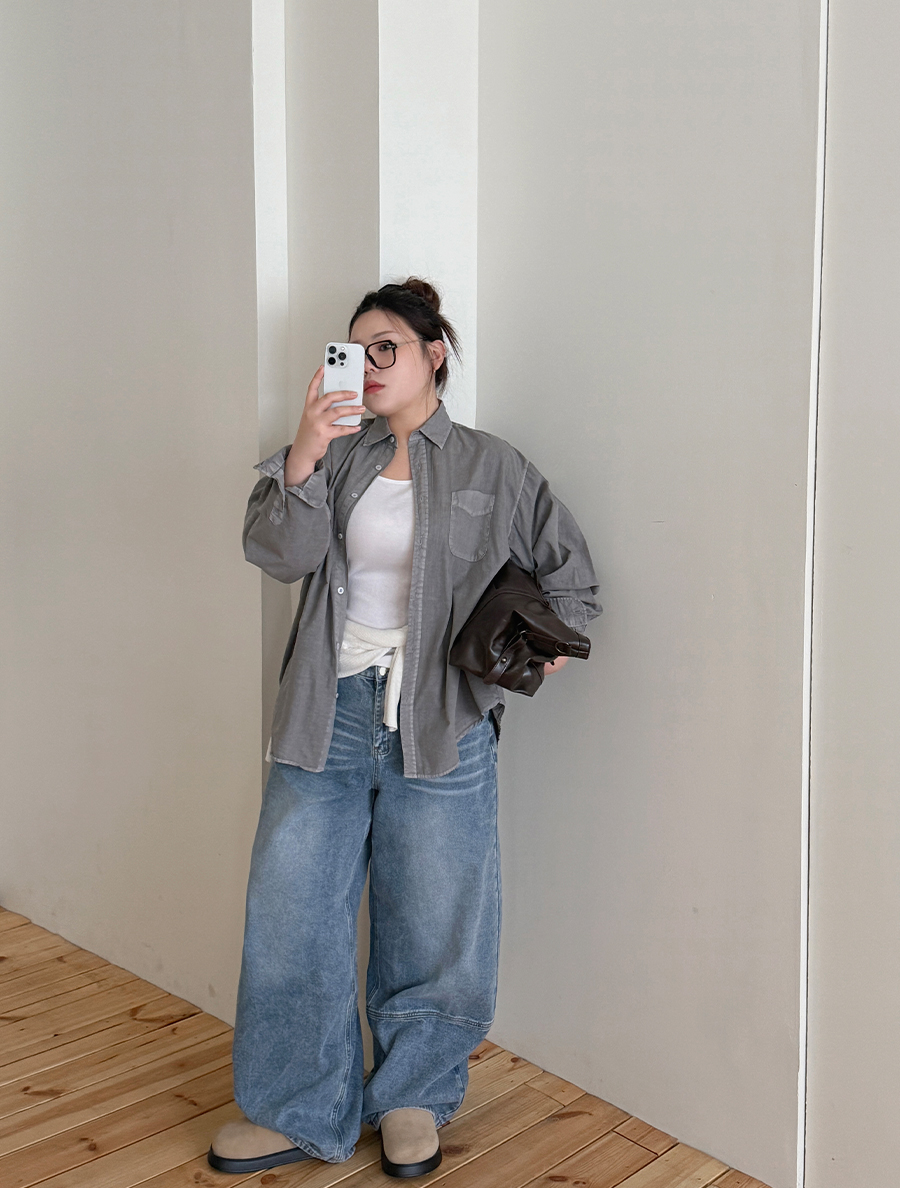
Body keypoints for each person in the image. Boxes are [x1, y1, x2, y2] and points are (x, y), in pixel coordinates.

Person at [208, 278, 602, 1178]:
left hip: (442, 720)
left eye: (386, 346)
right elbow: (278, 555)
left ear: (435, 354)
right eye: (355, 350)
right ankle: (296, 1109)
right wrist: (306, 450)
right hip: (328, 713)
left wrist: (540, 654)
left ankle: (412, 1098)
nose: (369, 364)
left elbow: (573, 580)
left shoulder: (495, 466)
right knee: (293, 912)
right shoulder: (337, 455)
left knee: (435, 915)